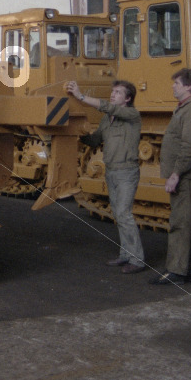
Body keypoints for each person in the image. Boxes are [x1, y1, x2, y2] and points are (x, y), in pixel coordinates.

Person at [66, 79, 146, 274]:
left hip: (127, 172)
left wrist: (81, 96)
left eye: (118, 92)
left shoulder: (132, 115)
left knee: (124, 214)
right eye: (113, 91)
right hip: (111, 171)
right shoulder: (106, 120)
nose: (113, 94)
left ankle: (137, 260)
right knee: (119, 215)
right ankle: (125, 255)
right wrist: (80, 134)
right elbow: (95, 141)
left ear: (127, 99)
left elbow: (108, 107)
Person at [151, 68, 191, 286]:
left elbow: (190, 146)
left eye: (176, 83)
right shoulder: (186, 108)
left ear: (188, 86)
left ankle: (176, 270)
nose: (172, 86)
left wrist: (175, 174)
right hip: (190, 174)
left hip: (187, 175)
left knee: (180, 222)